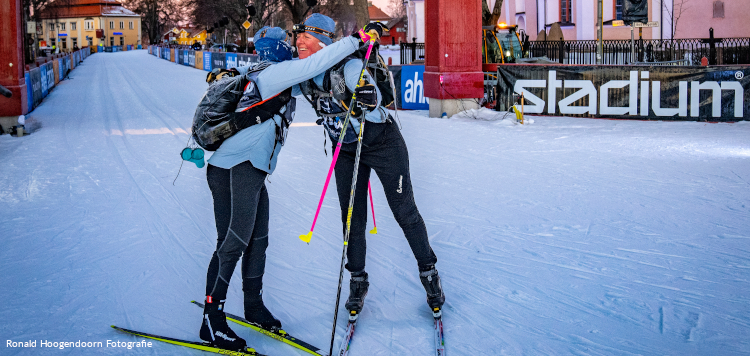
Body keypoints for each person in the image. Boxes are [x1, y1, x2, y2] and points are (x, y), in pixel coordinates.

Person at [198, 26, 377, 352]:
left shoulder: (260, 72)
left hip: (239, 168)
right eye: (287, 44)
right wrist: (356, 40)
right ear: (277, 48)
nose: (293, 48)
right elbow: (313, 66)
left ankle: (253, 306)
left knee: (258, 240)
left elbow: (316, 78)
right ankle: (213, 317)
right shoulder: (277, 73)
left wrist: (355, 84)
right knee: (234, 243)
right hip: (239, 167)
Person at [293, 14, 445, 315]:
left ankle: (429, 272)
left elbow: (373, 98)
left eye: (307, 37)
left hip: (382, 143)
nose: (299, 41)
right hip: (346, 150)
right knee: (352, 218)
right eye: (298, 36)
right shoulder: (302, 73)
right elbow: (278, 85)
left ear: (323, 42)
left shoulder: (348, 67)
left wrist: (366, 98)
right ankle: (358, 280)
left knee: (405, 211)